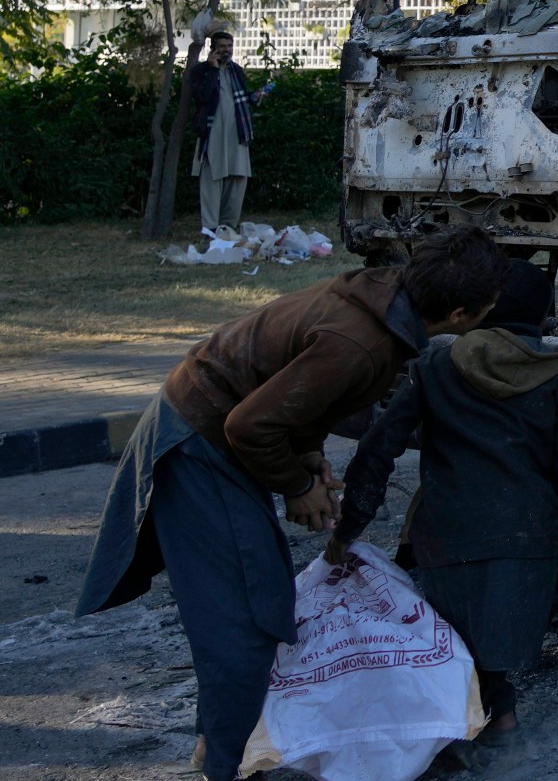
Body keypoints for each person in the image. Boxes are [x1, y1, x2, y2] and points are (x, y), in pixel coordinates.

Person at [77, 226, 510, 781]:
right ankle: (229, 766)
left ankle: (219, 743)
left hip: (212, 435)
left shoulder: (380, 295)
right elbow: (248, 424)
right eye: (487, 307)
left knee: (254, 598)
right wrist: (297, 486)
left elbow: (292, 388)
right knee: (247, 617)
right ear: (458, 315)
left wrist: (305, 454)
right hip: (201, 442)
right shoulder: (362, 343)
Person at [328, 260, 558, 761]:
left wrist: (349, 528)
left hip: (443, 536)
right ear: (542, 316)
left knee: (445, 640)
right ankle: (496, 725)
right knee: (484, 644)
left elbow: (378, 447)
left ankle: (472, 726)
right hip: (527, 538)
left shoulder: (436, 366)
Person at [187, 30, 272, 234]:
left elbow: (243, 98)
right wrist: (213, 69)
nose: (226, 50)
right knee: (211, 178)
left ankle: (227, 226)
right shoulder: (201, 71)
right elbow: (202, 96)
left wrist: (256, 95)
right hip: (212, 132)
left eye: (229, 46)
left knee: (239, 177)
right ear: (213, 48)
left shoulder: (236, 70)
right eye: (222, 46)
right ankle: (209, 228)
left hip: (237, 132)